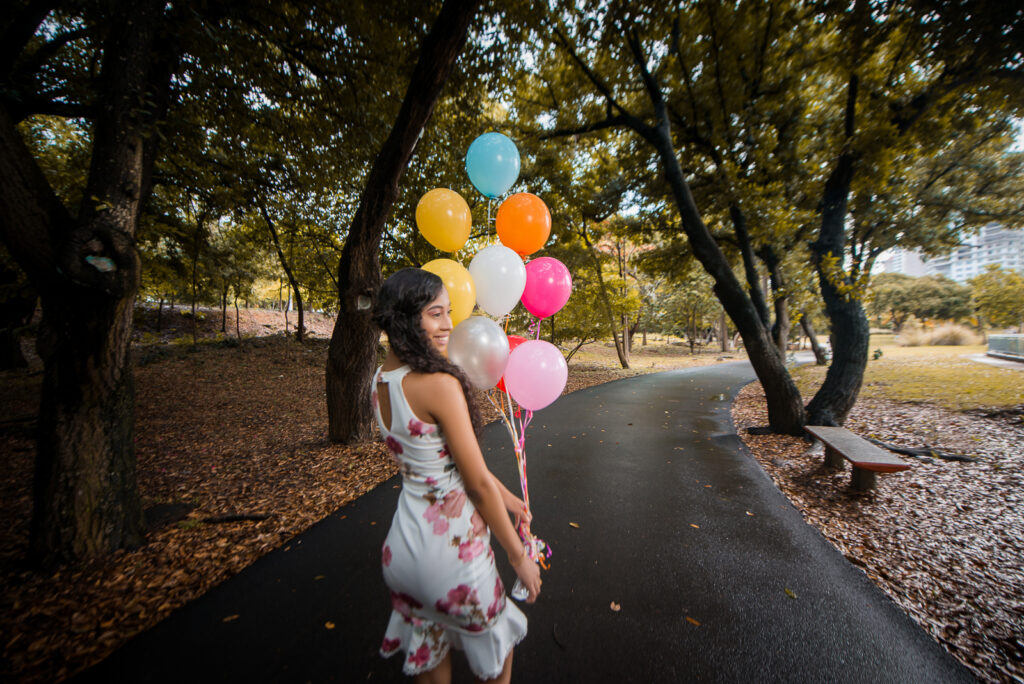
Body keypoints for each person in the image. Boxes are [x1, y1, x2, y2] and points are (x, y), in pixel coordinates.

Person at [371, 268, 541, 684]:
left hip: (403, 555)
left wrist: (511, 500)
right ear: (406, 318)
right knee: (499, 652)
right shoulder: (438, 384)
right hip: (451, 557)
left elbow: (443, 464)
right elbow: (476, 485)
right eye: (435, 313)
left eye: (448, 312)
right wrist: (519, 559)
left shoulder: (379, 381)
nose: (448, 324)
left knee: (431, 649)